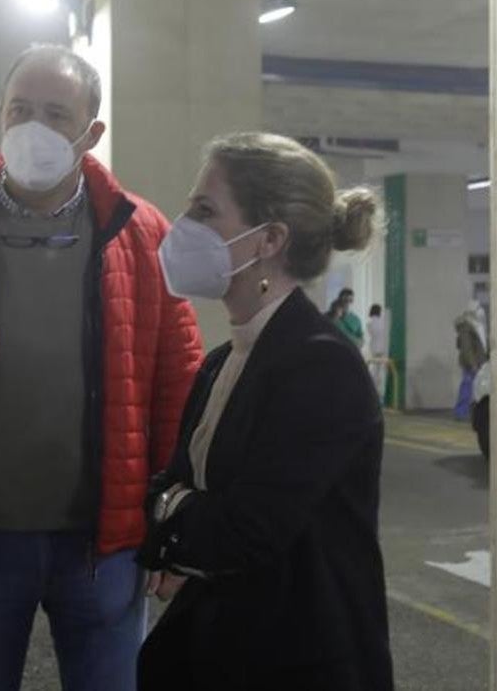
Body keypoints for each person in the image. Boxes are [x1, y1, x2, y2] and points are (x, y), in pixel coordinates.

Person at [0, 44, 204, 691]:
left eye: (55, 114)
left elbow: (176, 389)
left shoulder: (141, 234)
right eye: (20, 110)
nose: (33, 128)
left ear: (91, 133)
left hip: (105, 546)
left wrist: (174, 533)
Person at [137, 132, 394, 690]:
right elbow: (173, 486)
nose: (184, 225)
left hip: (297, 659)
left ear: (268, 239)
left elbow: (242, 533)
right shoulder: (225, 360)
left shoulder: (320, 367)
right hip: (225, 647)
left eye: (205, 210)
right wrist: (181, 508)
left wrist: (173, 512)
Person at [367, 303, 390, 400]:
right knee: (381, 372)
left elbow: (372, 334)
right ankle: (380, 393)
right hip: (383, 348)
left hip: (374, 348)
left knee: (375, 371)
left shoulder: (369, 324)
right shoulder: (383, 322)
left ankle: (374, 392)